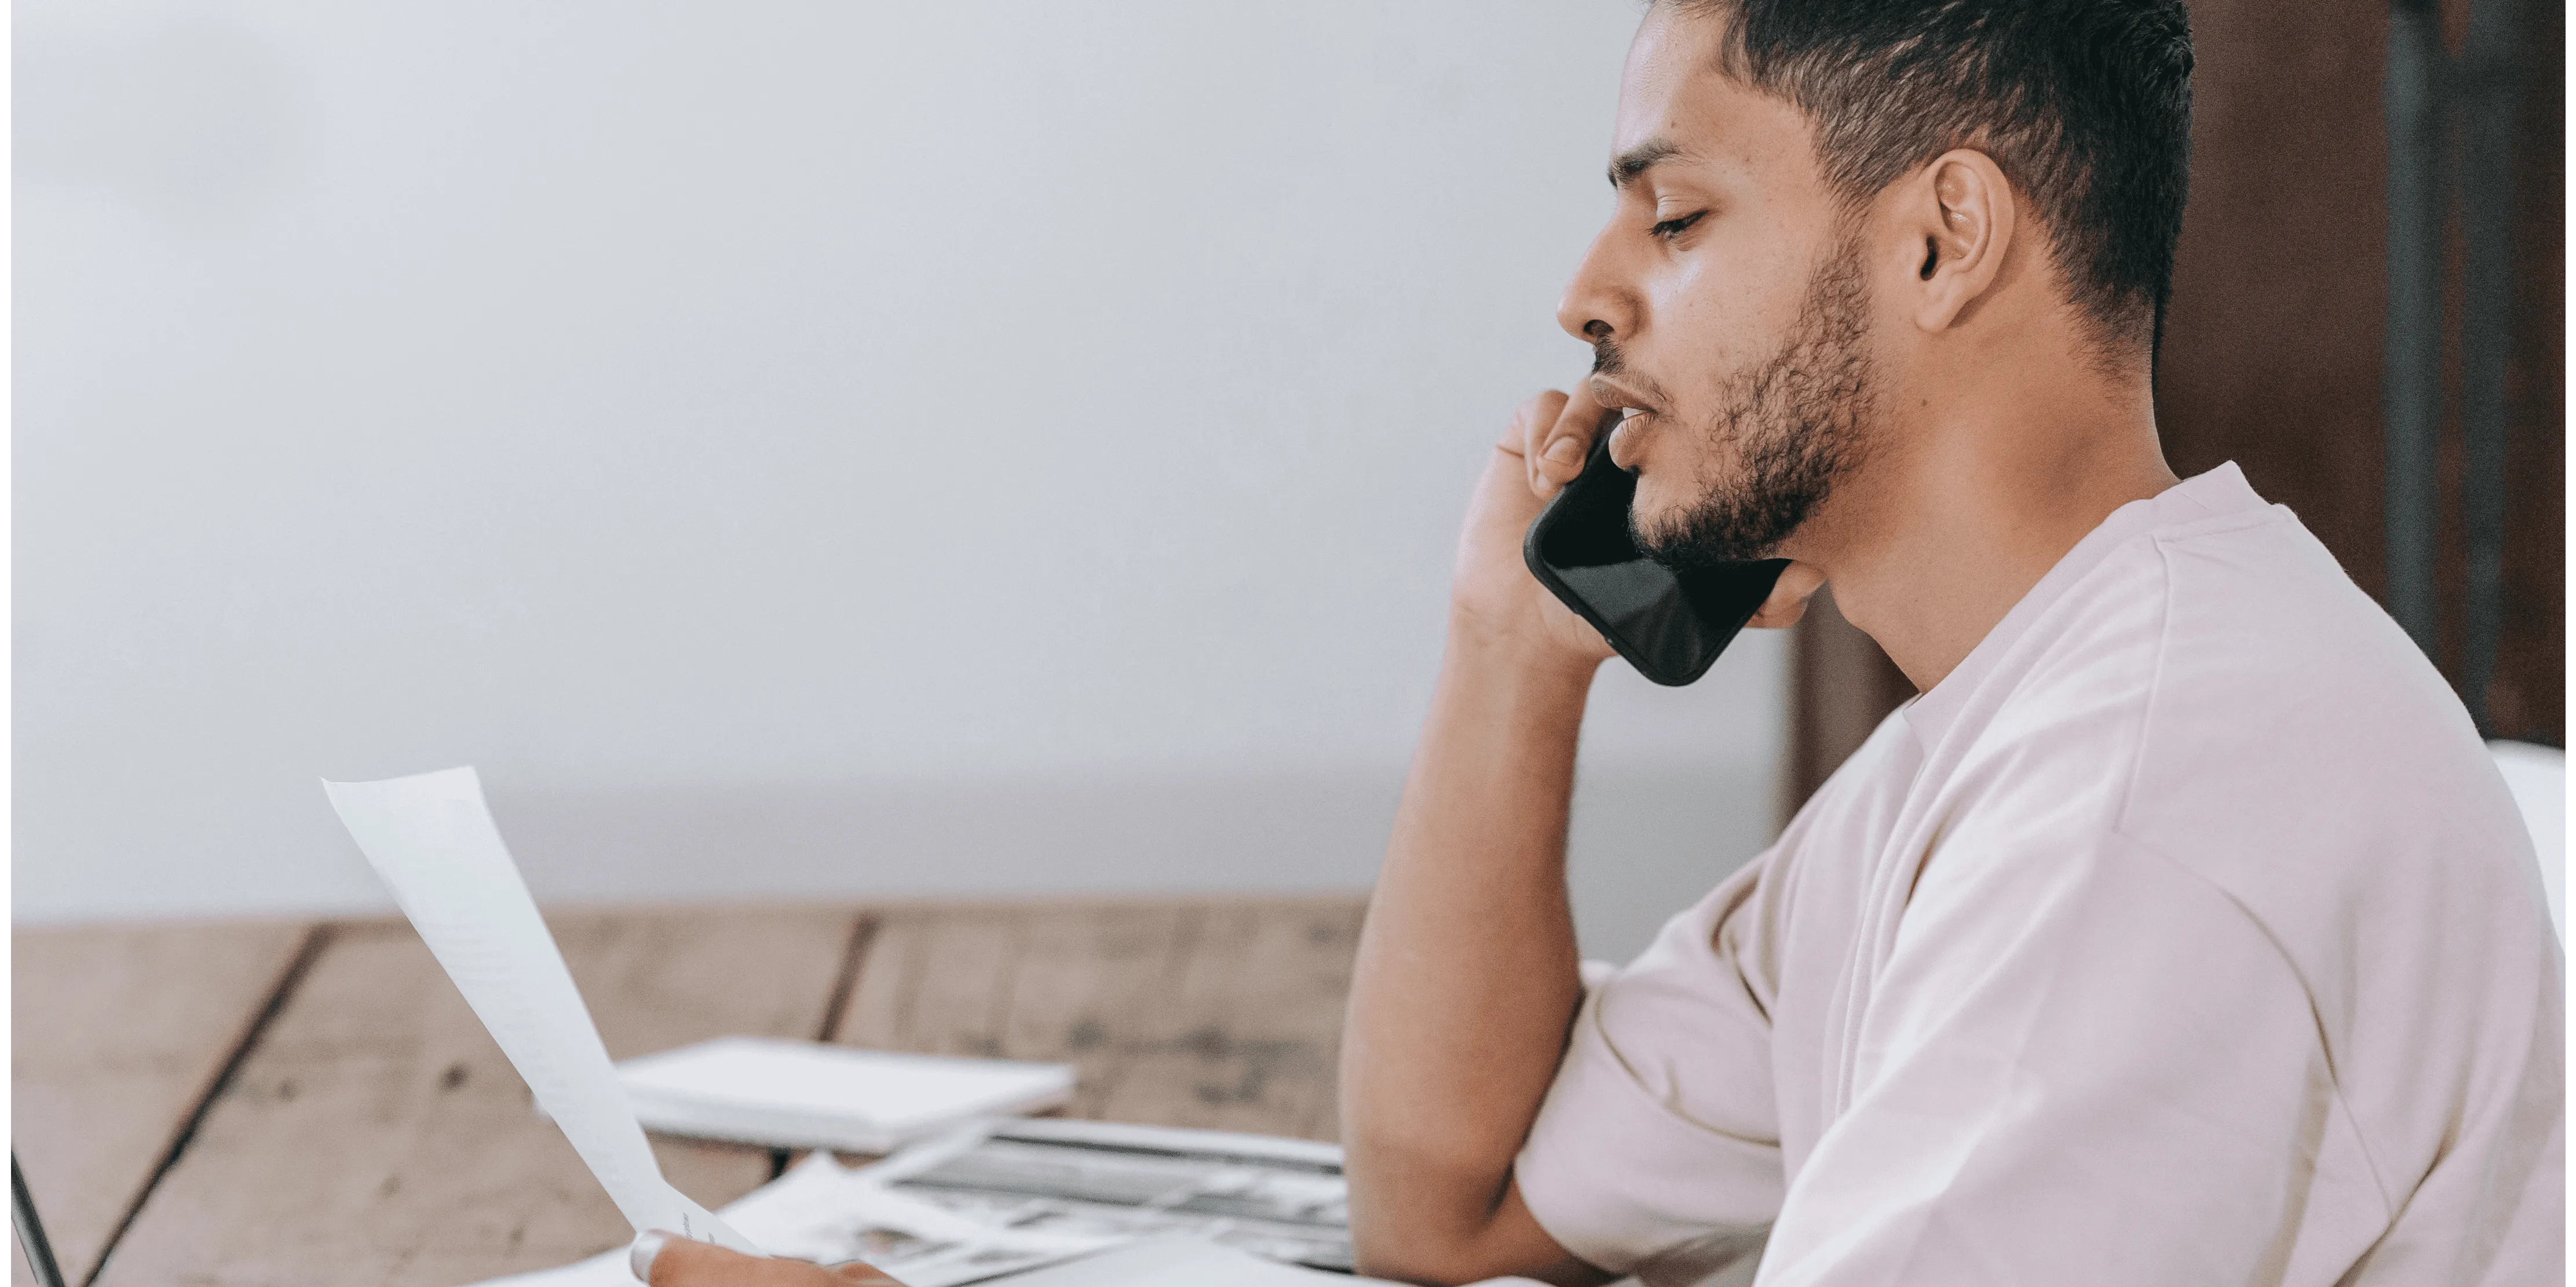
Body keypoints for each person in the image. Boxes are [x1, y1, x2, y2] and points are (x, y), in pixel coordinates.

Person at [638, 1, 2566, 1284]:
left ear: (1938, 239)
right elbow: (1449, 1207)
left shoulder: (2134, 823)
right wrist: (1513, 650)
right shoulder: (2013, 742)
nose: (1582, 296)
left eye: (1674, 212)